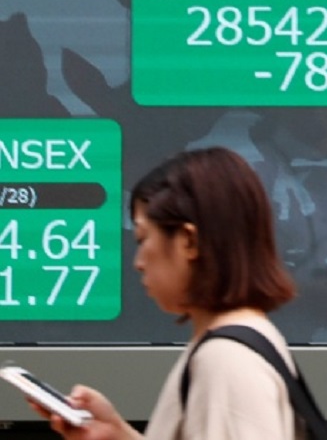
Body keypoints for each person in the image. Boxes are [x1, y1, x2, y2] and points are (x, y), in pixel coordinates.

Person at [33, 146, 302, 440]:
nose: (138, 262)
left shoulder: (225, 360)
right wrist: (118, 435)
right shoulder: (242, 343)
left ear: (189, 241)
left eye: (143, 238)